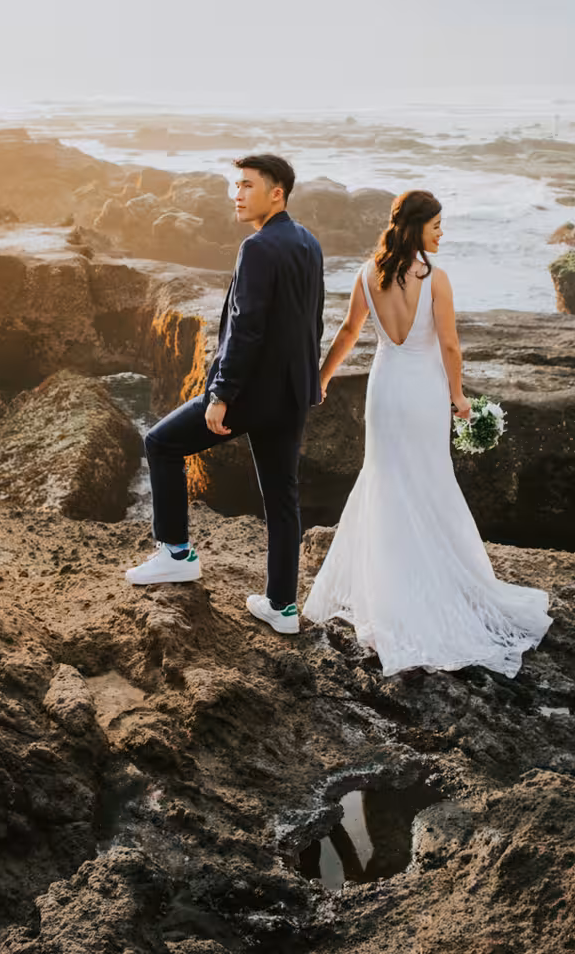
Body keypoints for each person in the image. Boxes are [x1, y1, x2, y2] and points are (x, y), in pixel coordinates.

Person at [303, 190, 551, 675]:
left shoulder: (367, 272)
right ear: (416, 227)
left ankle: (387, 595)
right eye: (436, 225)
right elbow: (450, 345)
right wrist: (458, 397)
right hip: (422, 391)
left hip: (385, 388)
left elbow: (350, 331)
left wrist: (321, 378)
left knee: (385, 482)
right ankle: (429, 592)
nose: (442, 233)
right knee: (430, 484)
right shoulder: (434, 278)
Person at [124, 153, 325, 635]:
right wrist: (309, 382)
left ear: (277, 193)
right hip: (292, 393)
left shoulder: (257, 248)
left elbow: (247, 329)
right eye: (235, 186)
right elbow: (312, 321)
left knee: (160, 443)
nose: (236, 194)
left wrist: (221, 393)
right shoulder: (310, 243)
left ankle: (176, 553)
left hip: (250, 393)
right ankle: (282, 607)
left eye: (247, 186)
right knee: (282, 497)